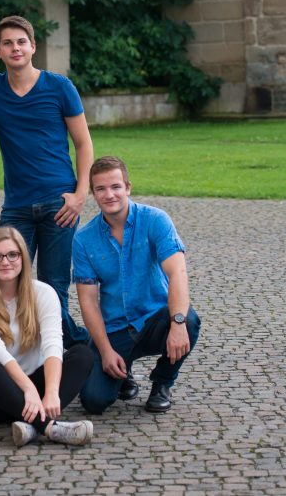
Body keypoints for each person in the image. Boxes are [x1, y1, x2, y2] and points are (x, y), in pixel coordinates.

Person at [0, 15, 93, 347]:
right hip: (17, 207)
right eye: (8, 43)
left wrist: (80, 194)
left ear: (33, 47)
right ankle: (58, 354)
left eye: (21, 42)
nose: (16, 48)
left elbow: (84, 143)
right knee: (8, 283)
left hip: (60, 204)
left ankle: (79, 355)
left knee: (54, 289)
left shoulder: (59, 87)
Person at [73, 156, 202, 415]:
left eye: (115, 186)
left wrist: (177, 324)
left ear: (128, 187)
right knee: (93, 401)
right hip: (116, 329)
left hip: (154, 320)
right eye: (100, 189)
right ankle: (123, 372)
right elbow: (88, 300)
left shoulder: (155, 220)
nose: (109, 195)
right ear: (93, 193)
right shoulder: (83, 239)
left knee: (188, 320)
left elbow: (177, 271)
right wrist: (106, 350)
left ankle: (163, 382)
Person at [0, 227, 95, 447]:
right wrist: (29, 389)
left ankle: (30, 427)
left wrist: (50, 392)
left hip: (33, 397)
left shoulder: (43, 293)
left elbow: (53, 344)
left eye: (13, 254)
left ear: (23, 257)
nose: (5, 261)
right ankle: (51, 428)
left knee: (83, 355)